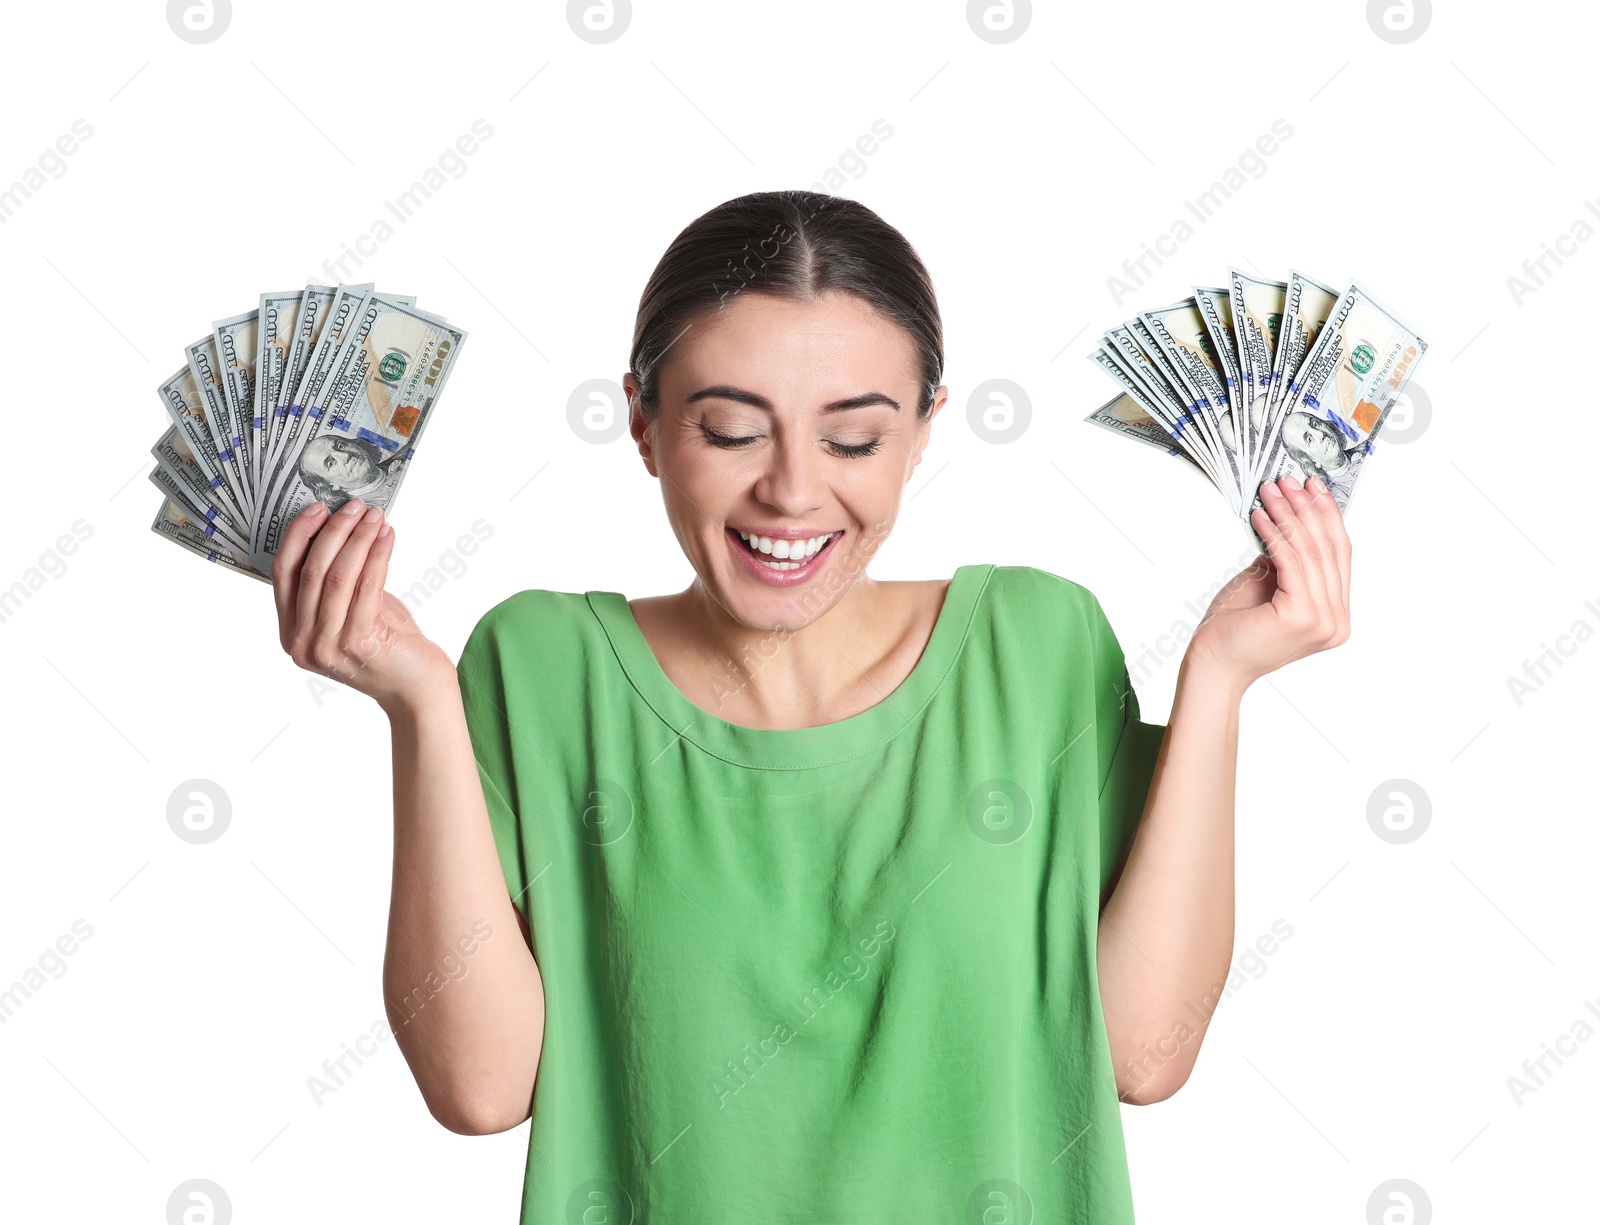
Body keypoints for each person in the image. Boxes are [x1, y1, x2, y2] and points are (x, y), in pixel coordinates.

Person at [269, 190, 1353, 1223]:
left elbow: (1141, 1053)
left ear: (924, 430)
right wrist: (417, 705)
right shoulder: (543, 666)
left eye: (852, 438)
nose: (791, 491)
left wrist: (1220, 679)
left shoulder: (1038, 644)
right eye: (733, 431)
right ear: (642, 425)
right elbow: (480, 1085)